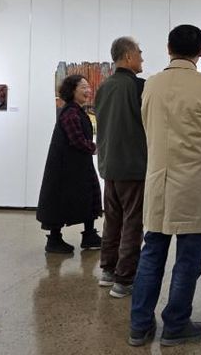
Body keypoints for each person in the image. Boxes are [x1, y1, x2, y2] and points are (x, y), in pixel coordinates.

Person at [129, 24, 201, 347]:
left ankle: (139, 326)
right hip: (193, 184)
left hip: (159, 180)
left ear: (168, 48)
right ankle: (175, 324)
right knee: (188, 257)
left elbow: (147, 127)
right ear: (200, 52)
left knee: (151, 253)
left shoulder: (152, 85)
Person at [94, 37, 147, 299]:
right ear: (128, 56)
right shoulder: (139, 87)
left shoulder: (104, 87)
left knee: (113, 220)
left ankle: (108, 270)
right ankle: (124, 280)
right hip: (133, 165)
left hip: (109, 165)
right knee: (132, 223)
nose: (142, 58)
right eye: (139, 53)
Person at [36, 75, 102, 253]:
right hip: (65, 167)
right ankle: (55, 240)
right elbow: (76, 140)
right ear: (72, 90)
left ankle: (89, 235)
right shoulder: (71, 113)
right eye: (83, 87)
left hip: (76, 165)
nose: (88, 90)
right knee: (60, 201)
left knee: (87, 196)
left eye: (88, 87)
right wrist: (94, 148)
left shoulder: (76, 111)